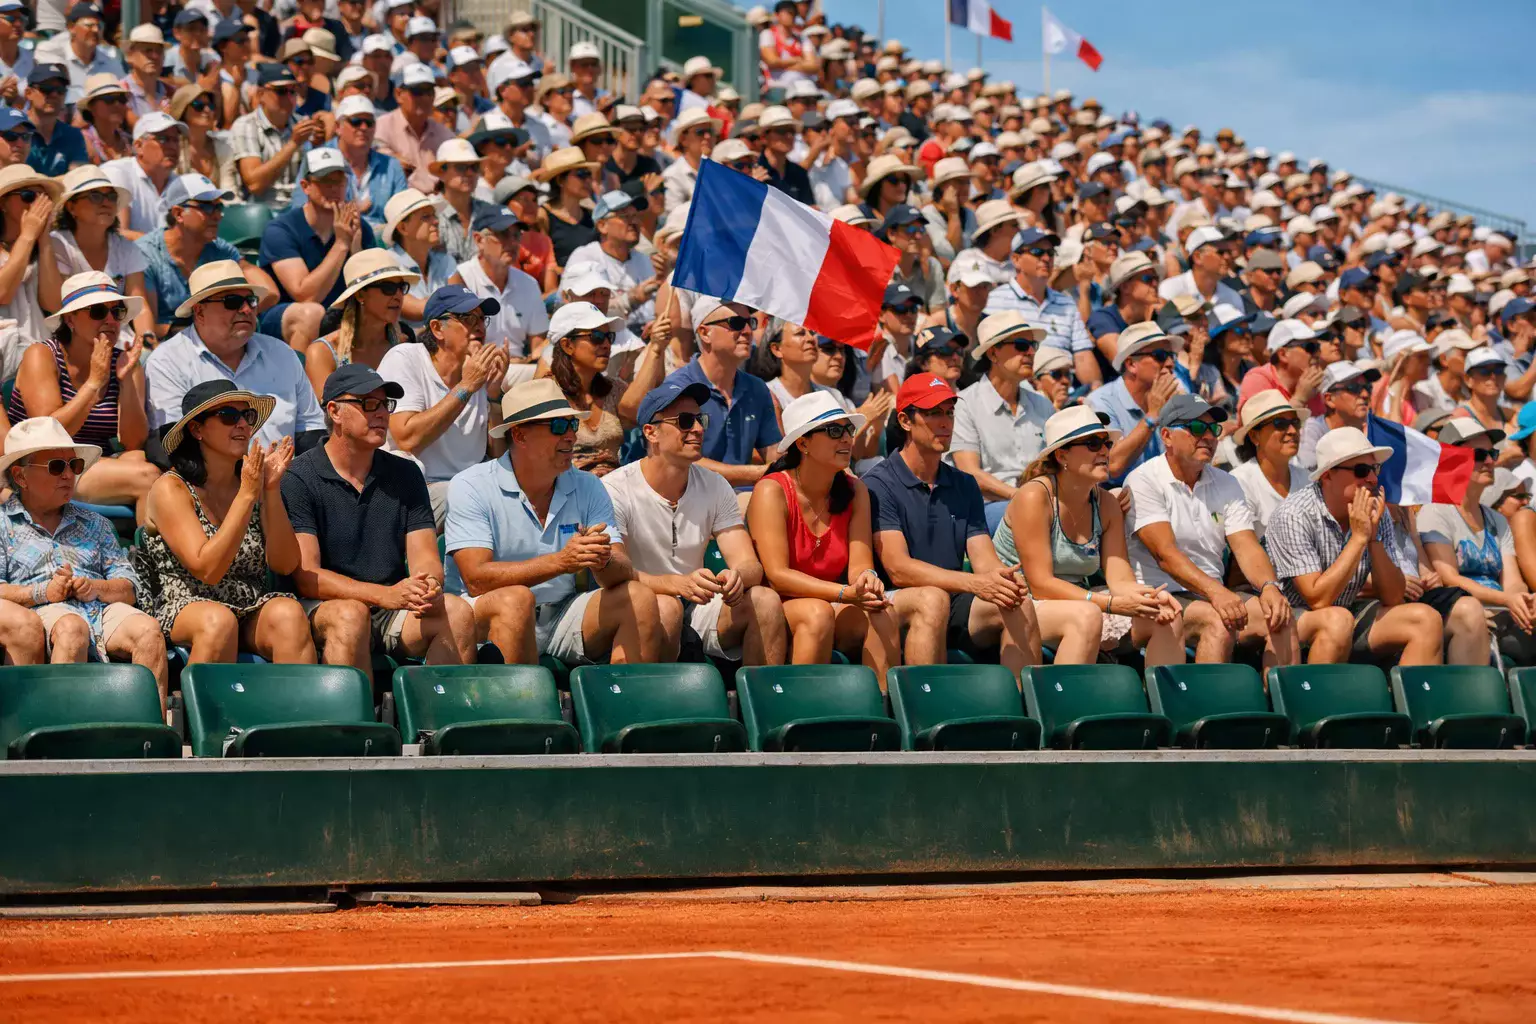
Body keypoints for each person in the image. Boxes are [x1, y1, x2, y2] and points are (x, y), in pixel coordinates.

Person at [445, 378, 659, 666]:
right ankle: (521, 711)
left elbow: (619, 570)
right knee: (516, 602)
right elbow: (476, 579)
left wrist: (604, 557)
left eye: (572, 424)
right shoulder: (470, 485)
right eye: (558, 426)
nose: (571, 435)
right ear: (519, 436)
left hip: (561, 613)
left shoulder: (589, 485)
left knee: (639, 597)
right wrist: (562, 562)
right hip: (489, 613)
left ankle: (623, 706)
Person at [282, 363, 477, 671]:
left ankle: (437, 716)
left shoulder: (405, 473)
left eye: (384, 404)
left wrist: (428, 584)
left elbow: (424, 554)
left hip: (390, 604)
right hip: (325, 608)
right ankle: (349, 720)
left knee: (458, 613)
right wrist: (383, 595)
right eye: (368, 404)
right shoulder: (299, 477)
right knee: (351, 616)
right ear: (334, 411)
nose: (381, 414)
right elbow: (307, 576)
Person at [865, 373, 1046, 674]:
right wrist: (973, 582)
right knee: (933, 600)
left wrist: (1002, 580)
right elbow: (898, 569)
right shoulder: (878, 483)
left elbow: (984, 559)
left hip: (952, 599)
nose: (946, 422)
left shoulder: (964, 484)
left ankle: (1021, 713)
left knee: (1018, 604)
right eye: (934, 413)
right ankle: (925, 714)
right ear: (905, 421)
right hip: (898, 603)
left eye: (949, 412)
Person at [604, 380, 787, 664]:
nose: (699, 429)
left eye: (700, 419)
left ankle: (763, 702)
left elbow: (749, 564)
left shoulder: (715, 485)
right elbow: (615, 571)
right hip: (639, 603)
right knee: (664, 608)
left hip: (698, 603)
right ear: (651, 432)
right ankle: (653, 707)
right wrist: (675, 584)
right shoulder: (614, 488)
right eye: (685, 421)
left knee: (765, 600)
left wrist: (736, 577)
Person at [1266, 426, 1482, 666]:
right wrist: (1359, 538)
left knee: (1425, 619)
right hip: (1293, 617)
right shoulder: (1294, 514)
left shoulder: (1374, 509)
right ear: (1327, 475)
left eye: (1374, 468)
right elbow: (1317, 599)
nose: (1372, 478)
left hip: (1347, 610)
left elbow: (1393, 596)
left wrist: (1373, 538)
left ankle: (1412, 701)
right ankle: (1319, 700)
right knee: (1336, 620)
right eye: (1361, 470)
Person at [142, 381, 315, 664]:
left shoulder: (252, 483)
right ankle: (205, 709)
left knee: (289, 615)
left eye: (246, 417)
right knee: (219, 621)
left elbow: (284, 564)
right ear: (196, 429)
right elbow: (207, 570)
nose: (243, 426)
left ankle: (295, 708)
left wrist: (270, 490)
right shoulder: (171, 488)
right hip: (186, 604)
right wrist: (247, 495)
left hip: (247, 604)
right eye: (228, 417)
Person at [997, 405, 1185, 665]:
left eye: (1106, 443)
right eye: (1093, 444)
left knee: (1166, 614)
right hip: (1018, 601)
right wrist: (1107, 603)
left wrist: (1149, 596)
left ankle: (1165, 704)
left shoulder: (1106, 503)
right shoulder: (1034, 496)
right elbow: (1040, 584)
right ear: (1062, 455)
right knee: (1086, 616)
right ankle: (1065, 704)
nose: (1105, 451)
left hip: (1078, 600)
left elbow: (1120, 578)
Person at [1124, 393, 1297, 666]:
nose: (1207, 436)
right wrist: (1216, 592)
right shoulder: (1144, 480)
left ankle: (1278, 704)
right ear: (1167, 436)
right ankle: (1209, 707)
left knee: (1281, 617)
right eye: (1195, 428)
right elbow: (1165, 555)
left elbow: (1247, 545)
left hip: (1209, 591)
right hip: (1159, 594)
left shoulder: (1227, 482)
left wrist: (1269, 587)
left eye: (1213, 429)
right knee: (1217, 620)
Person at [0, 416, 166, 697]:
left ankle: (146, 736)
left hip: (100, 608)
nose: (68, 475)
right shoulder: (3, 525)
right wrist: (44, 592)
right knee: (71, 627)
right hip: (37, 611)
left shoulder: (96, 523)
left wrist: (95, 588)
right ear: (20, 476)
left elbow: (129, 587)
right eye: (56, 466)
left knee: (149, 631)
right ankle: (62, 735)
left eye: (73, 465)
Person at [747, 391, 908, 677]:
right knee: (817, 614)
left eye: (849, 429)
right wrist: (845, 593)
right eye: (834, 431)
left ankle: (881, 711)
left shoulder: (855, 489)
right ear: (803, 442)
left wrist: (867, 581)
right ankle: (807, 715)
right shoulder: (771, 490)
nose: (847, 438)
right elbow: (777, 576)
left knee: (882, 612)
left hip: (833, 599)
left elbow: (859, 565)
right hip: (775, 607)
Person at [9, 272, 159, 518]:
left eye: (117, 311)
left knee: (137, 456)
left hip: (91, 464)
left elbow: (133, 441)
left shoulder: (125, 360)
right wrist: (94, 383)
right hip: (44, 465)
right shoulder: (42, 355)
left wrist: (126, 383)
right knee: (148, 477)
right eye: (98, 311)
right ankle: (149, 554)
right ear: (70, 319)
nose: (111, 320)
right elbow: (49, 435)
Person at [146, 261, 328, 449]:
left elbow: (311, 431)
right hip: (208, 478)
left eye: (251, 301)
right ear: (199, 312)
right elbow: (173, 445)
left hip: (286, 474)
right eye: (232, 302)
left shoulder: (282, 354)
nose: (247, 310)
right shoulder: (167, 362)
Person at [378, 284, 506, 525]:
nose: (479, 326)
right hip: (413, 490)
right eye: (468, 318)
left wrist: (493, 394)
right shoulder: (406, 358)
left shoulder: (477, 373)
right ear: (437, 328)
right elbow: (407, 439)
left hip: (470, 489)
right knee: (465, 497)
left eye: (482, 318)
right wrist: (466, 387)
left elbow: (499, 456)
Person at [1418, 419, 1536, 665]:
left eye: (1492, 453)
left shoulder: (1497, 519)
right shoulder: (1435, 512)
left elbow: (1512, 580)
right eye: (1480, 455)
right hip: (1464, 615)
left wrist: (1522, 600)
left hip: (1503, 613)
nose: (1491, 461)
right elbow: (1449, 578)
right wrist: (1507, 600)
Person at [949, 311, 1057, 532]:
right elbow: (970, 474)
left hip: (1041, 502)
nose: (1030, 352)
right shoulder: (964, 404)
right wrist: (1022, 497)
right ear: (993, 353)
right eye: (1020, 345)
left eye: (1033, 345)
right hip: (987, 508)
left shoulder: (1043, 405)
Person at [258, 148, 373, 352]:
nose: (333, 188)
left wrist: (355, 247)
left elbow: (373, 291)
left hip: (339, 314)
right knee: (311, 313)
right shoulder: (282, 229)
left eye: (339, 181)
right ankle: (299, 383)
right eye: (324, 181)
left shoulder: (360, 227)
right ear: (306, 186)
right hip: (287, 317)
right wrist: (341, 244)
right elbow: (304, 295)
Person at [136, 172, 275, 335]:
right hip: (164, 346)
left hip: (216, 341)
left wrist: (234, 317)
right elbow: (148, 326)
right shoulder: (146, 254)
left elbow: (270, 292)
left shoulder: (219, 249)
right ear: (178, 214)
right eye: (207, 207)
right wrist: (200, 330)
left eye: (218, 207)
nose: (218, 216)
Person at [41, 165, 156, 349]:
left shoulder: (126, 247)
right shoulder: (57, 245)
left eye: (111, 196)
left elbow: (141, 307)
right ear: (71, 207)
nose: (106, 202)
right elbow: (54, 304)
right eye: (95, 196)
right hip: (73, 344)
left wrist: (147, 341)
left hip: (120, 339)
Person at [544, 299, 660, 476]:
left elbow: (638, 413)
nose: (607, 345)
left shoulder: (615, 389)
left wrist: (656, 348)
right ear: (567, 345)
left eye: (609, 337)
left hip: (613, 494)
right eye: (596, 337)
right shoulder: (545, 393)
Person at [984, 225, 1100, 388]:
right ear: (1016, 259)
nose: (1046, 258)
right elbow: (992, 358)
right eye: (1037, 252)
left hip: (1064, 390)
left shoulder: (1066, 303)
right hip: (1017, 389)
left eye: (1051, 253)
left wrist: (1095, 392)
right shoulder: (995, 301)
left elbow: (1083, 356)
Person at [305, 248, 417, 400]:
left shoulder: (404, 345)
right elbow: (330, 414)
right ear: (360, 294)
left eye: (401, 288)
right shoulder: (322, 353)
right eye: (388, 288)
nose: (398, 295)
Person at [448, 204, 548, 364]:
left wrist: (529, 361)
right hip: (475, 367)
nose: (513, 242)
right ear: (479, 240)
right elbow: (459, 345)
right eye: (503, 234)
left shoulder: (529, 284)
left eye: (516, 235)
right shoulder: (461, 278)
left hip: (519, 368)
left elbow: (539, 342)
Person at [288, 94, 407, 228]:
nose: (363, 127)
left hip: (382, 241)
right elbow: (299, 207)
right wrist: (350, 212)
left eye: (369, 122)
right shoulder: (317, 159)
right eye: (356, 121)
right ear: (338, 127)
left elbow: (403, 216)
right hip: (329, 236)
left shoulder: (392, 166)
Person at [1088, 321, 1183, 484]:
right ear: (1132, 364)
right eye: (1160, 356)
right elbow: (1113, 465)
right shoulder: (1101, 402)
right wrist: (1152, 416)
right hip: (1117, 501)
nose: (1170, 363)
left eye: (1172, 356)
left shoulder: (1173, 397)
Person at [563, 190, 660, 333]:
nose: (634, 222)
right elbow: (576, 311)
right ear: (602, 225)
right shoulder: (585, 258)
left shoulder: (643, 259)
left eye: (635, 216)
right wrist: (632, 299)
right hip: (605, 339)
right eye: (625, 216)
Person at [230, 63, 323, 207]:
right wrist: (293, 144)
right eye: (281, 91)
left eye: (293, 91)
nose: (289, 97)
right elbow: (255, 185)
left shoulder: (303, 123)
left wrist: (322, 141)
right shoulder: (246, 125)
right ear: (261, 95)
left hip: (301, 207)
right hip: (262, 210)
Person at [0, 164, 61, 359]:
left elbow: (54, 304)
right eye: (28, 196)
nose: (37, 205)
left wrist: (43, 240)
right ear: (3, 204)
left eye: (44, 198)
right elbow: (3, 293)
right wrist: (27, 235)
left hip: (41, 351)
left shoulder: (52, 244)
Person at [1230, 390, 1309, 539]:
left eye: (1295, 423)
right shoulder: (1239, 482)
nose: (1292, 431)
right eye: (1280, 424)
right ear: (1255, 436)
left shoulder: (1307, 480)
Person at [374, 63, 455, 194]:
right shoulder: (381, 129)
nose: (425, 98)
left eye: (429, 92)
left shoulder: (446, 136)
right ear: (398, 94)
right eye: (417, 91)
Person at [381, 188, 455, 327]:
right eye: (426, 217)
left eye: (434, 216)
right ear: (403, 228)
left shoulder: (445, 260)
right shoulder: (387, 264)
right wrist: (452, 301)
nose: (436, 221)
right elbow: (416, 310)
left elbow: (461, 300)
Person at [1296, 361, 1378, 472]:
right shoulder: (1312, 431)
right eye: (1354, 388)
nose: (1365, 394)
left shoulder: (1374, 429)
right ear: (1329, 399)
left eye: (1368, 387)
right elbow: (1307, 477)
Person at [1237, 317, 1324, 417]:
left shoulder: (1310, 386)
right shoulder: (1258, 379)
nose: (1317, 353)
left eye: (1317, 346)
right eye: (1310, 347)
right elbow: (1269, 429)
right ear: (1283, 354)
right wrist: (1300, 399)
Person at [537, 146, 600, 270]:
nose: (588, 180)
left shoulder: (593, 214)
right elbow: (544, 264)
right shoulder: (543, 216)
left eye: (588, 174)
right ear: (560, 180)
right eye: (581, 174)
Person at [171, 84, 239, 195]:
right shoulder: (172, 148)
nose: (207, 110)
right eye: (199, 105)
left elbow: (229, 191)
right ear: (182, 110)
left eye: (211, 106)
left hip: (218, 208)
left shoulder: (223, 148)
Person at [23, 64, 88, 177]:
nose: (54, 95)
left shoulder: (73, 135)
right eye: (46, 89)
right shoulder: (13, 131)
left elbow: (78, 177)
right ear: (28, 93)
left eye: (60, 90)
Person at [78, 73, 132, 164]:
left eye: (122, 99)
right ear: (91, 106)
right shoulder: (81, 142)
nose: (117, 104)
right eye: (109, 99)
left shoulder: (130, 142)